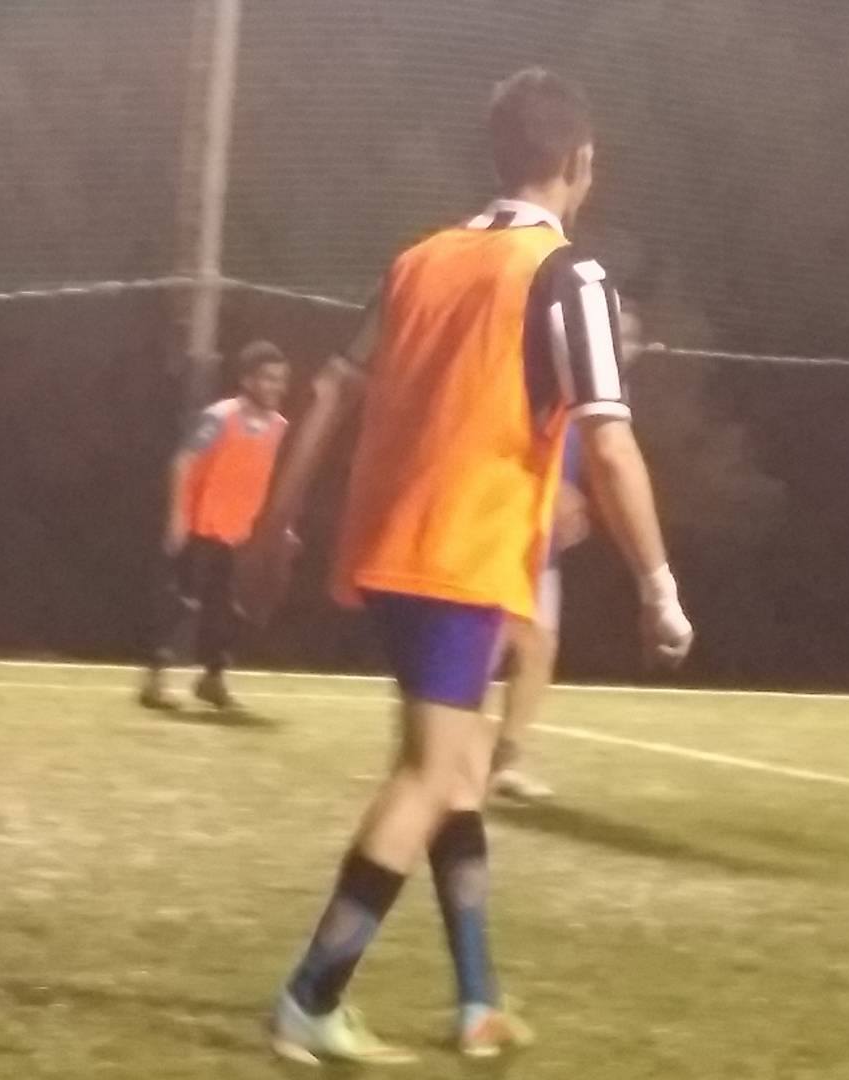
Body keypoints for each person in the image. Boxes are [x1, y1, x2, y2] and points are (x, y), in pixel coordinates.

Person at [237, 69, 694, 1064]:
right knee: (430, 771)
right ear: (580, 162)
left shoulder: (418, 261)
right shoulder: (569, 275)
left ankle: (478, 1000)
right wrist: (658, 585)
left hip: (389, 547)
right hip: (463, 553)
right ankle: (311, 996)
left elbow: (330, 391)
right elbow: (610, 440)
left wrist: (274, 528)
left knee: (460, 768)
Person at [490, 304, 647, 801]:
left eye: (631, 338)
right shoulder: (554, 373)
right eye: (616, 334)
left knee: (537, 646)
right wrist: (555, 487)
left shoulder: (613, 392)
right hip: (507, 520)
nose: (623, 345)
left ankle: (502, 762)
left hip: (542, 533)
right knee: (498, 638)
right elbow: (513, 436)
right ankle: (442, 755)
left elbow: (605, 459)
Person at [139, 341, 290, 712]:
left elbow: (260, 478)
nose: (275, 386)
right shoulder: (220, 417)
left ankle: (212, 679)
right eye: (267, 378)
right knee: (182, 604)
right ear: (247, 380)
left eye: (280, 379)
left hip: (235, 534)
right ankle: (154, 677)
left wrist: (276, 527)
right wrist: (178, 517)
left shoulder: (278, 426)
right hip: (199, 527)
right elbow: (183, 462)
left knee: (225, 610)